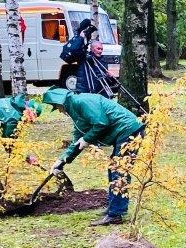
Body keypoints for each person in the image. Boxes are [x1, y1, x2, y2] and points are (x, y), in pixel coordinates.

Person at [41, 87, 144, 226]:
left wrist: (87, 139)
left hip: (129, 130)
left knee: (119, 170)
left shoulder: (82, 101)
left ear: (61, 102)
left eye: (57, 107)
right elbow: (77, 138)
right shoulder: (76, 110)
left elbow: (101, 123)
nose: (59, 110)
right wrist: (61, 160)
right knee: (114, 168)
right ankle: (114, 209)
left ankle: (116, 214)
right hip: (123, 132)